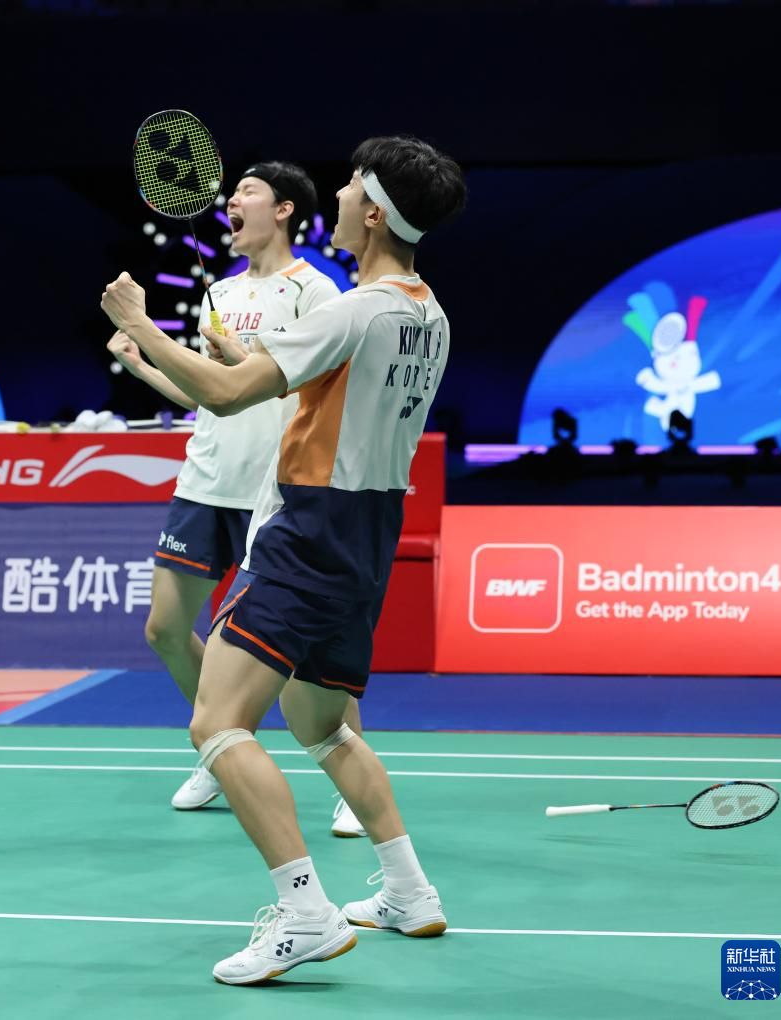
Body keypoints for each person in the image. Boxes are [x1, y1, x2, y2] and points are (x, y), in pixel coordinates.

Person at [101, 135, 467, 985]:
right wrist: (231, 357)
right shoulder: (427, 314)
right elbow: (309, 387)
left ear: (372, 212)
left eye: (350, 185)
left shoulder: (350, 308)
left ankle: (303, 911)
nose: (338, 194)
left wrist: (138, 325)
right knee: (323, 726)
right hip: (369, 532)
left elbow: (229, 397)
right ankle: (409, 891)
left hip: (306, 528)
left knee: (216, 721)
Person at [109, 162, 365, 837]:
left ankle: (350, 778)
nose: (232, 200)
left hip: (274, 487)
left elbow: (317, 387)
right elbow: (207, 394)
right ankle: (222, 746)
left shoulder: (317, 291)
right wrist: (142, 364)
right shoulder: (217, 292)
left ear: (283, 210)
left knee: (303, 654)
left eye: (249, 191)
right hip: (206, 479)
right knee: (165, 630)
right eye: (234, 192)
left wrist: (247, 361)